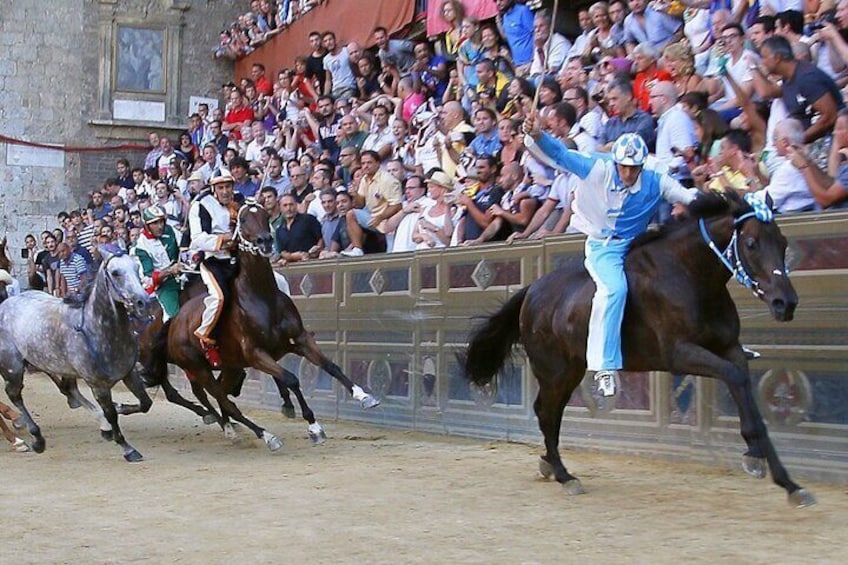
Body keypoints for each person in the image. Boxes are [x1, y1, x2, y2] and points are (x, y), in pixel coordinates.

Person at [523, 115, 697, 398]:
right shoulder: (595, 167)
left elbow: (689, 197)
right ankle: (604, 368)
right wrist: (538, 135)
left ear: (642, 165)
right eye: (624, 168)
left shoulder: (655, 179)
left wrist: (728, 203)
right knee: (614, 290)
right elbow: (560, 154)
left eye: (634, 169)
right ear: (615, 162)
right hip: (604, 247)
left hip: (639, 243)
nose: (628, 174)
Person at [187, 172, 241, 368]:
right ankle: (206, 336)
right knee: (220, 298)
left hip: (238, 258)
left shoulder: (240, 203)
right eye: (221, 187)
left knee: (276, 280)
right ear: (213, 189)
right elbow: (197, 239)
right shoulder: (200, 206)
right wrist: (225, 239)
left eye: (228, 186)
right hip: (213, 260)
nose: (225, 191)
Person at [132, 206, 181, 321]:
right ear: (147, 225)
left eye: (161, 222)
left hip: (184, 275)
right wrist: (169, 271)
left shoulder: (171, 230)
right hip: (164, 286)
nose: (160, 226)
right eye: (155, 223)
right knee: (173, 318)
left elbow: (186, 246)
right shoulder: (140, 247)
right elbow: (148, 278)